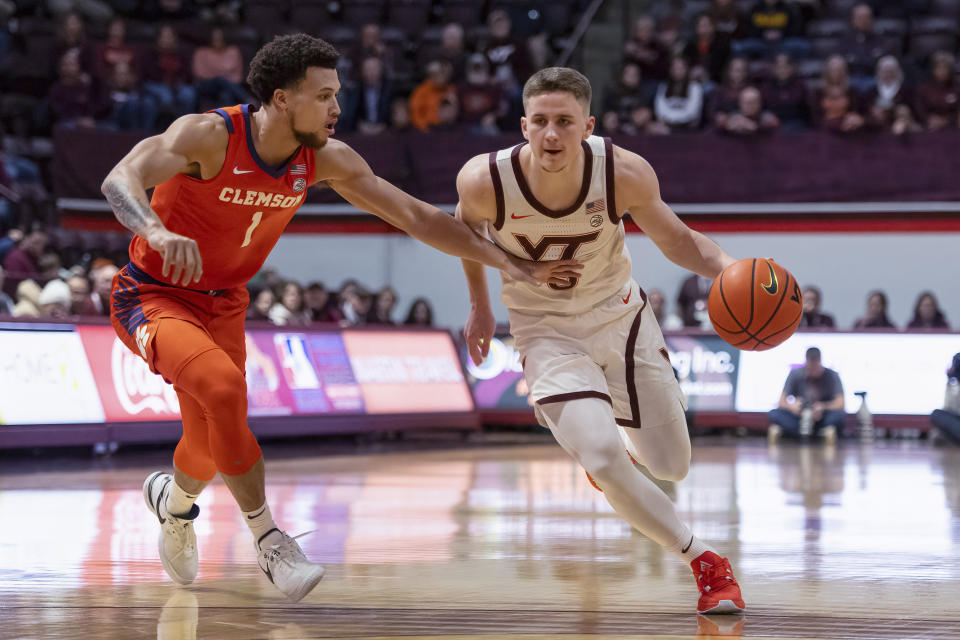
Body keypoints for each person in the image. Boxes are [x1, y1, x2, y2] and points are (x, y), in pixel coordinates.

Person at [100, 34, 575, 602]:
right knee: (223, 389)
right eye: (324, 96)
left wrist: (511, 264)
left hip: (224, 302)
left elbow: (419, 218)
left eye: (337, 95)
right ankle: (270, 540)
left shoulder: (326, 158)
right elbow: (119, 179)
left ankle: (173, 505)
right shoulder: (207, 136)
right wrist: (154, 229)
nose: (337, 109)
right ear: (281, 98)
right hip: (152, 294)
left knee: (205, 447)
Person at [455, 66, 744, 615]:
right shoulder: (483, 180)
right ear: (523, 124)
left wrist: (732, 267)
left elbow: (679, 241)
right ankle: (705, 562)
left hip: (622, 320)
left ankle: (608, 447)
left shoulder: (622, 172)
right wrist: (480, 306)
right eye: (539, 122)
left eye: (564, 122)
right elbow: (464, 234)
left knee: (671, 466)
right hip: (544, 331)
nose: (551, 135)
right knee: (606, 458)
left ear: (588, 125)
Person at [767, 347, 845, 443]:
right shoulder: (796, 374)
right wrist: (792, 407)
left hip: (821, 417)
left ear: (820, 362)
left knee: (838, 416)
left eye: (815, 368)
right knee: (774, 413)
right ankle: (809, 432)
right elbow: (781, 402)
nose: (812, 371)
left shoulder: (832, 375)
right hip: (798, 416)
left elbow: (841, 404)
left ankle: (805, 432)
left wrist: (823, 407)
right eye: (810, 368)